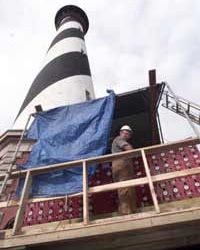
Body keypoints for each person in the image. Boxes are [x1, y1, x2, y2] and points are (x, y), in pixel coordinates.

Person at [111, 125, 137, 215]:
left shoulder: (119, 140)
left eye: (128, 133)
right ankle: (126, 212)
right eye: (125, 132)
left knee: (126, 188)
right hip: (121, 165)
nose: (127, 135)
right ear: (121, 132)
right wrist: (135, 152)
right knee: (124, 188)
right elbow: (129, 150)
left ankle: (127, 210)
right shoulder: (119, 139)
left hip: (122, 166)